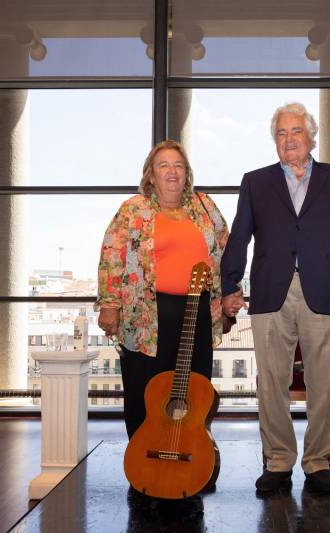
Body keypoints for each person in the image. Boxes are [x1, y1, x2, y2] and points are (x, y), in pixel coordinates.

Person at [220, 102, 330, 494]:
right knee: (271, 381)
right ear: (275, 141)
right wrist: (229, 284)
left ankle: (318, 462)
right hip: (272, 290)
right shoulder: (255, 182)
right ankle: (279, 460)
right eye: (281, 134)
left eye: (296, 132)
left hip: (326, 288)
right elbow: (240, 236)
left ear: (311, 136)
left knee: (324, 382)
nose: (289, 140)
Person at [96, 139, 230, 439]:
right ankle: (146, 463)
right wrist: (109, 304)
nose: (172, 172)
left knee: (193, 391)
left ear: (187, 173)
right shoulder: (133, 209)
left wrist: (231, 294)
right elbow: (111, 256)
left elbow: (227, 249)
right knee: (145, 392)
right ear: (151, 175)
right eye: (164, 165)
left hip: (198, 313)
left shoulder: (205, 206)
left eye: (178, 165)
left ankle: (189, 458)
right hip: (145, 317)